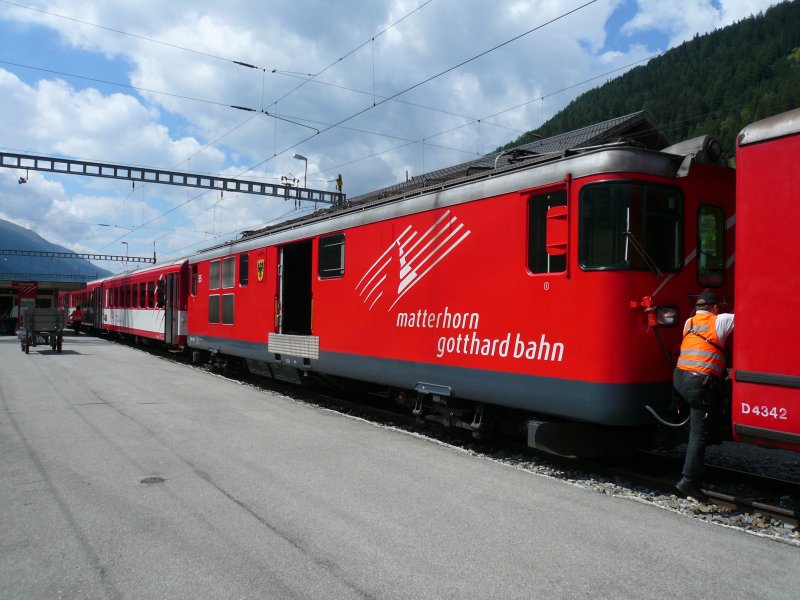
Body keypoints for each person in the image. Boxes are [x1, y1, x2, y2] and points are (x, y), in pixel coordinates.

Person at [673, 290, 734, 502]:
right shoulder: (720, 321)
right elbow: (747, 316)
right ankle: (688, 480)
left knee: (697, 426)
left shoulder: (689, 322)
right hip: (698, 383)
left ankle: (695, 469)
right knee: (699, 433)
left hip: (679, 378)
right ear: (715, 307)